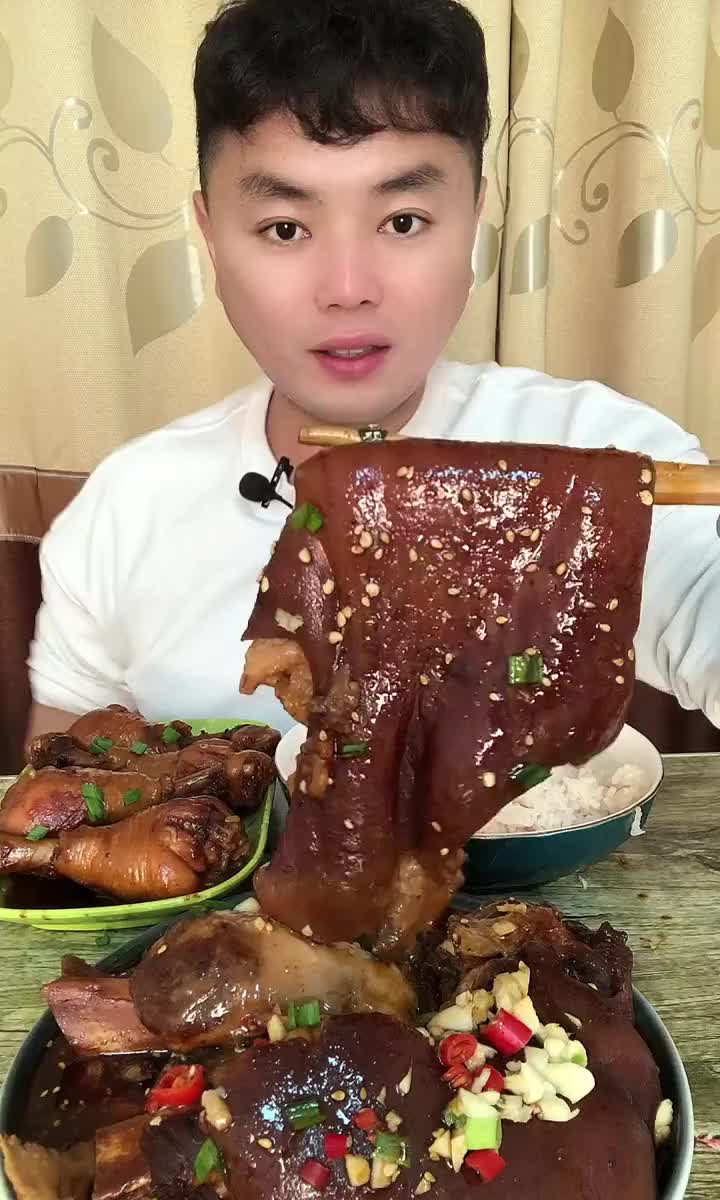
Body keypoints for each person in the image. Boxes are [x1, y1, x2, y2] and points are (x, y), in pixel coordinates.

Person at [27, 0, 720, 740]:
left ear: (475, 216)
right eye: (285, 228)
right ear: (211, 235)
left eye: (403, 221)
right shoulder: (125, 506)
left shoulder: (603, 454)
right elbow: (61, 776)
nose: (348, 287)